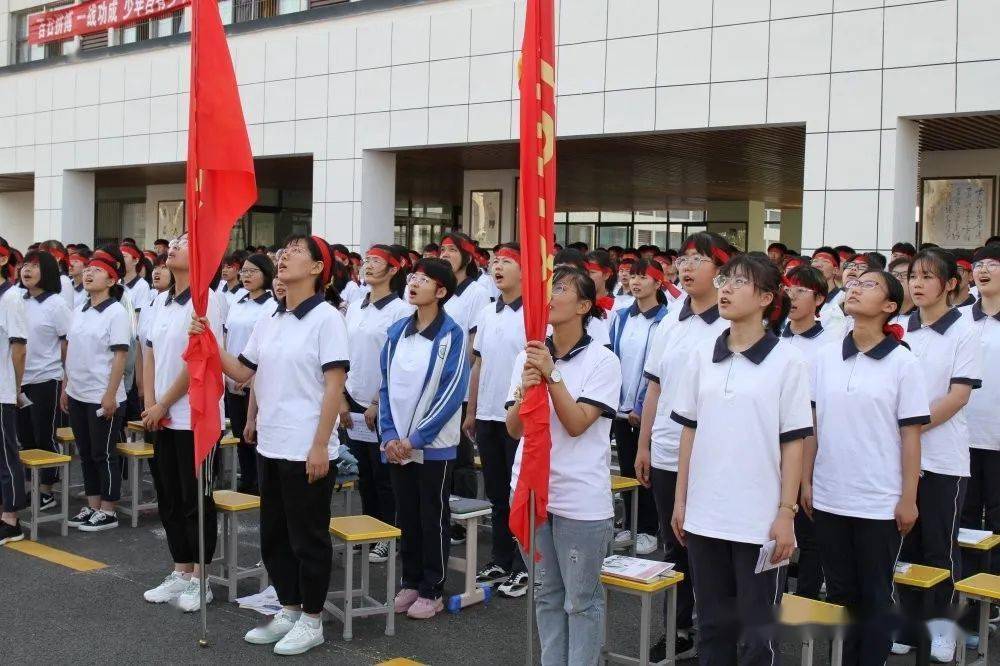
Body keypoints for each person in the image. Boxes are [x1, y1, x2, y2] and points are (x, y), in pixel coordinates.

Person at [198, 235, 349, 656]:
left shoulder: (327, 318)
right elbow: (243, 371)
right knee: (275, 536)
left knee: (308, 538)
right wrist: (209, 341)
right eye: (284, 251)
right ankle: (288, 607)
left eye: (297, 252)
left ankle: (313, 620)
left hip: (307, 448)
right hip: (271, 443)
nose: (284, 257)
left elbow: (335, 385)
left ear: (319, 268)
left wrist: (321, 444)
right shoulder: (271, 316)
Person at [670, 254, 812, 665]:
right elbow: (689, 432)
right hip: (705, 514)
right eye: (725, 281)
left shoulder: (788, 360)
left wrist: (786, 512)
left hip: (759, 520)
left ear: (767, 297)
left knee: (756, 634)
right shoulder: (701, 354)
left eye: (739, 282)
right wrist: (682, 500)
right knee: (712, 626)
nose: (726, 289)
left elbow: (794, 443)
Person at [806, 269, 928, 665]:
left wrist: (908, 498)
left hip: (878, 500)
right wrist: (806, 483)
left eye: (870, 285)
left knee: (875, 595)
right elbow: (813, 426)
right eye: (854, 284)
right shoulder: (825, 356)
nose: (855, 288)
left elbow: (911, 436)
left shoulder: (902, 363)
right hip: (829, 495)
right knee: (840, 593)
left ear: (890, 307)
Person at [505, 265, 622, 666]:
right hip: (533, 489)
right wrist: (529, 384)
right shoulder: (529, 353)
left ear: (584, 305)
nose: (550, 295)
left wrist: (550, 375)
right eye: (548, 287)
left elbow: (575, 425)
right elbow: (514, 428)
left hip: (579, 500)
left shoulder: (603, 361)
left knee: (581, 602)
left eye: (561, 288)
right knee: (546, 596)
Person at [635, 232, 734, 660]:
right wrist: (644, 447)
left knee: (713, 546)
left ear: (722, 270)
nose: (687, 266)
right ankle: (677, 627)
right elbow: (654, 387)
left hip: (714, 455)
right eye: (684, 258)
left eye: (700, 259)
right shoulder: (671, 320)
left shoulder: (733, 324)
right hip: (668, 449)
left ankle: (716, 631)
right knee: (672, 543)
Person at [898, 247, 981, 661]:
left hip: (942, 458)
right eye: (913, 275)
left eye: (928, 277)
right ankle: (910, 626)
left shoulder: (965, 329)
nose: (917, 283)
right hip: (898, 457)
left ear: (950, 284)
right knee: (902, 545)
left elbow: (958, 395)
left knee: (939, 547)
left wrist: (909, 427)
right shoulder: (898, 328)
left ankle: (942, 628)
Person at [140, 233, 225, 613]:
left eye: (185, 241)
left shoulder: (209, 299)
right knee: (170, 497)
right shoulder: (158, 300)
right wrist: (149, 404)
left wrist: (163, 404)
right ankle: (180, 569)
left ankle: (201, 579)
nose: (173, 247)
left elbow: (200, 359)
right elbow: (149, 355)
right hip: (160, 415)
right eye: (173, 242)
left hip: (195, 417)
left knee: (196, 501)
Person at [380, 257, 468, 620]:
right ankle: (411, 579)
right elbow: (384, 385)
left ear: (442, 291)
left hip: (432, 446)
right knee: (408, 514)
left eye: (424, 279)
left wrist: (416, 438)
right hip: (397, 443)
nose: (414, 282)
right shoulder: (397, 330)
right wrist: (389, 434)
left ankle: (432, 586)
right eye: (413, 276)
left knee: (433, 514)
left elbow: (451, 393)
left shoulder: (453, 335)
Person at [341, 244, 412, 565]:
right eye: (366, 260)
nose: (367, 266)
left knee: (385, 477)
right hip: (351, 399)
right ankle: (368, 529)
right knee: (364, 473)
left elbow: (397, 361)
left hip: (381, 405)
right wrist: (342, 398)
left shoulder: (400, 310)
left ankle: (386, 534)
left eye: (377, 262)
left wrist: (376, 403)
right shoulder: (355, 305)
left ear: (394, 270)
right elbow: (344, 353)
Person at [466, 243, 529, 597]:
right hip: (488, 414)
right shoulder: (489, 313)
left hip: (516, 417)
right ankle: (501, 558)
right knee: (496, 493)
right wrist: (472, 409)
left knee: (519, 492)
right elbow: (480, 362)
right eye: (495, 261)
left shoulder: (535, 314)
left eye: (507, 261)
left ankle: (524, 564)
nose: (497, 267)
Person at [62, 246, 132, 532]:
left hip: (103, 395)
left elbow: (120, 356)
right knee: (86, 452)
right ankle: (92, 504)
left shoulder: (115, 312)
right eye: (88, 268)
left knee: (104, 453)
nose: (89, 273)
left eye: (98, 270)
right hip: (78, 392)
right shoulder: (80, 309)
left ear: (112, 280)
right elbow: (72, 351)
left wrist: (110, 392)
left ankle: (109, 509)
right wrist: (66, 386)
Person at [778, 264, 831, 601]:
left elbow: (815, 416)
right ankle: (773, 601)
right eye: (789, 290)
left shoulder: (830, 345)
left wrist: (806, 476)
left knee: (811, 537)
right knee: (775, 534)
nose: (792, 297)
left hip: (814, 453)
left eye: (801, 291)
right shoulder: (773, 337)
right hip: (774, 453)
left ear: (820, 299)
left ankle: (806, 603)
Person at [610, 258, 668, 557]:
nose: (635, 282)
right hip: (620, 408)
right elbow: (613, 359)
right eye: (633, 276)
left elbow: (656, 371)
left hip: (646, 408)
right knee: (627, 467)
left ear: (659, 283)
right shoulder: (621, 317)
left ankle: (648, 528)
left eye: (643, 277)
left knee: (648, 469)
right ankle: (630, 525)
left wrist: (641, 403)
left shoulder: (666, 320)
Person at [438, 231, 490, 544]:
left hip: (458, 384)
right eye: (442, 249)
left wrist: (455, 378)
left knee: (460, 455)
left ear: (466, 257)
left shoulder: (476, 292)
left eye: (452, 250)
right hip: (436, 385)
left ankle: (463, 522)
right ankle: (446, 512)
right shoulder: (441, 289)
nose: (445, 254)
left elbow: (474, 345)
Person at [17, 249, 72, 509]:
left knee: (44, 435)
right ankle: (32, 487)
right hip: (19, 380)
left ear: (48, 271)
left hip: (46, 379)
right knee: (25, 436)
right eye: (25, 264)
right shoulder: (17, 299)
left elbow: (66, 344)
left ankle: (47, 490)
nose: (27, 269)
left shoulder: (56, 304)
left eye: (35, 266)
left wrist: (66, 381)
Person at [223, 253, 277, 495]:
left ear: (266, 274)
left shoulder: (272, 306)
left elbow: (266, 350)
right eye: (243, 271)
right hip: (232, 378)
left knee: (255, 431)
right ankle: (247, 479)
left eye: (252, 271)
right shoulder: (237, 301)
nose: (246, 275)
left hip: (253, 381)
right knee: (240, 432)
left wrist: (249, 378)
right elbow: (227, 338)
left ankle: (261, 482)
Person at [0, 268, 27, 544]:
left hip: (2, 390)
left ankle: (12, 518)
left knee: (6, 457)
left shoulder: (11, 297)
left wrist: (15, 387)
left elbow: (19, 349)